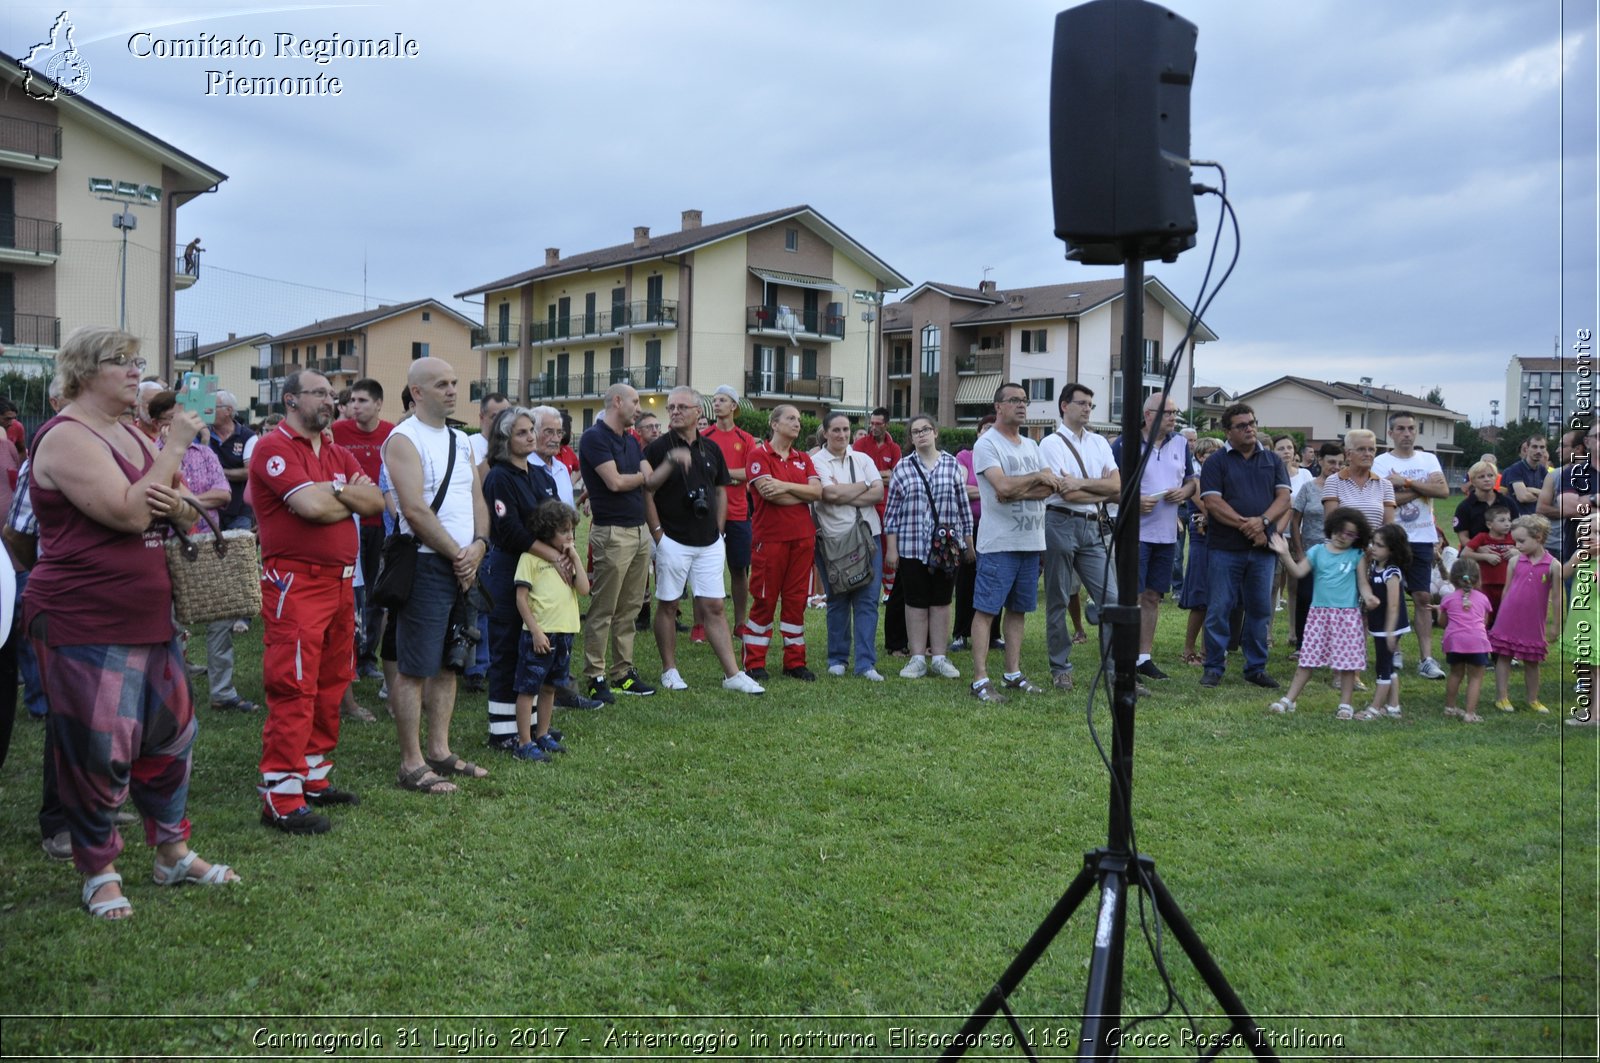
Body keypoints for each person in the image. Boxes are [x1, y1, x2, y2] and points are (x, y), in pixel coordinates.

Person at [24, 326, 240, 917]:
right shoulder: (65, 436)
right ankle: (99, 871)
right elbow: (125, 512)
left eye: (136, 360)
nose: (135, 371)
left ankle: (171, 853)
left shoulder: (130, 432)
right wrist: (172, 446)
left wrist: (178, 501)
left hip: (150, 612)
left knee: (172, 738)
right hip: (85, 615)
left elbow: (173, 504)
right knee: (99, 750)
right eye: (121, 362)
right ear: (85, 371)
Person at [250, 369, 383, 833]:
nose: (331, 400)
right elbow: (309, 508)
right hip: (296, 584)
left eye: (333, 394)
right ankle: (280, 797)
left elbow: (377, 503)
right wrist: (345, 495)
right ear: (291, 400)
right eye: (320, 393)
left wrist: (336, 492)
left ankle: (312, 777)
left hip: (340, 585)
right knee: (295, 684)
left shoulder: (336, 450)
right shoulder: (273, 448)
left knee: (332, 681)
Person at [382, 357, 490, 795]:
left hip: (464, 562)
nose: (452, 390)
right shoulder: (402, 439)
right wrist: (456, 555)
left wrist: (480, 545)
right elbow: (413, 509)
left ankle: (440, 750)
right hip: (428, 562)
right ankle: (411, 763)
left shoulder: (461, 440)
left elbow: (476, 497)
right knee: (415, 666)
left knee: (450, 660)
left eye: (455, 382)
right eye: (442, 384)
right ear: (417, 392)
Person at [644, 387, 764, 695]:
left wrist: (720, 530)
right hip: (673, 539)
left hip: (709, 540)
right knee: (669, 603)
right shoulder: (658, 448)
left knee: (713, 606)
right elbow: (647, 491)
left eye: (682, 407)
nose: (675, 412)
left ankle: (733, 674)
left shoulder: (711, 448)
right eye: (671, 407)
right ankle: (669, 670)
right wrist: (659, 534)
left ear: (699, 412)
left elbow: (722, 489)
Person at [147, 390, 256, 714]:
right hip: (165, 548)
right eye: (172, 420)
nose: (180, 425)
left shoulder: (204, 453)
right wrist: (194, 499)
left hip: (208, 547)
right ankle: (174, 693)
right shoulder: (150, 454)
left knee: (220, 621)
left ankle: (222, 691)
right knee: (168, 623)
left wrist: (181, 501)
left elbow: (223, 494)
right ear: (159, 423)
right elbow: (152, 497)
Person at [481, 406, 580, 751]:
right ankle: (503, 732)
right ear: (505, 439)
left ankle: (536, 730)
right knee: (508, 648)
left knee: (537, 655)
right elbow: (508, 531)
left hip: (545, 574)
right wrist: (553, 555)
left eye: (531, 431)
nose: (530, 437)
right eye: (521, 432)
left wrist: (564, 553)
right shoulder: (499, 477)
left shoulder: (542, 477)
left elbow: (553, 522)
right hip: (510, 568)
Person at [969, 383, 1062, 703]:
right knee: (986, 610)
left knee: (1019, 610)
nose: (1022, 406)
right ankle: (980, 679)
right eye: (1014, 401)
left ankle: (1012, 673)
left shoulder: (1031, 445)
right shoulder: (987, 444)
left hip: (1030, 539)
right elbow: (1002, 487)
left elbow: (1051, 487)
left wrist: (1023, 486)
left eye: (1025, 401)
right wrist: (1036, 479)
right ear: (998, 406)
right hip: (999, 542)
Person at [580, 383, 674, 701]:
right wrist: (639, 477)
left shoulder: (631, 440)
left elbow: (650, 478)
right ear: (617, 401)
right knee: (603, 609)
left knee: (630, 608)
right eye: (635, 401)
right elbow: (616, 482)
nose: (638, 407)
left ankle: (623, 672)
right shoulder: (595, 438)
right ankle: (595, 676)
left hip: (638, 531)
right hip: (612, 532)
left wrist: (660, 468)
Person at [1198, 403, 1291, 689]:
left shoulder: (1273, 461)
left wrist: (1262, 522)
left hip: (1262, 550)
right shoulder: (1216, 462)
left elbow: (1284, 498)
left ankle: (1255, 668)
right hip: (1225, 548)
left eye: (1252, 422)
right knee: (1219, 608)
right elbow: (1212, 502)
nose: (1250, 428)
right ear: (1227, 431)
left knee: (1261, 608)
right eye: (1242, 425)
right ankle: (1214, 666)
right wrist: (1248, 526)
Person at [1039, 382, 1120, 691]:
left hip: (1094, 525)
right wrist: (1097, 487)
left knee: (1111, 599)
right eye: (1082, 403)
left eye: (1091, 404)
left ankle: (1115, 670)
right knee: (1058, 598)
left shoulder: (1100, 442)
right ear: (1064, 405)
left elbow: (1117, 488)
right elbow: (1063, 490)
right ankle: (1061, 668)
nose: (1087, 408)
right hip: (1061, 522)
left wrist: (1082, 485)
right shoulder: (1050, 443)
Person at [1110, 392, 1195, 681]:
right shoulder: (1126, 444)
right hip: (1136, 532)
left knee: (1153, 596)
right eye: (1168, 412)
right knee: (1131, 595)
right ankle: (1126, 656)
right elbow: (1110, 484)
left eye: (1174, 412)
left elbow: (1191, 481)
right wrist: (1133, 501)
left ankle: (1144, 657)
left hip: (1166, 533)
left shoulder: (1181, 443)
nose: (1173, 417)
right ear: (1148, 414)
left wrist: (1184, 493)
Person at [883, 413, 972, 682]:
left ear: (935, 433)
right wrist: (891, 549)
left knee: (942, 601)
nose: (921, 434)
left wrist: (969, 545)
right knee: (915, 602)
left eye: (926, 429)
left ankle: (940, 657)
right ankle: (918, 658)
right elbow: (892, 513)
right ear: (910, 438)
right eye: (915, 431)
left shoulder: (951, 466)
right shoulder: (902, 468)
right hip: (911, 546)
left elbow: (963, 508)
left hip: (946, 547)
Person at [1264, 508, 1376, 718]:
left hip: (1347, 617)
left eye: (1350, 534)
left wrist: (1369, 597)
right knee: (1307, 660)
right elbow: (1297, 572)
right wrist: (1285, 553)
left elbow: (1363, 584)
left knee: (1348, 664)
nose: (1343, 537)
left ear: (1358, 537)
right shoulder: (1317, 551)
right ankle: (1289, 700)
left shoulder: (1357, 556)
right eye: (1341, 531)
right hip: (1319, 616)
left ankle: (1345, 705)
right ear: (1331, 527)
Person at [742, 405, 822, 681]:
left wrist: (787, 487)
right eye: (791, 418)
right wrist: (803, 494)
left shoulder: (803, 458)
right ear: (774, 424)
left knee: (796, 601)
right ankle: (753, 662)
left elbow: (817, 492)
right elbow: (769, 494)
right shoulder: (758, 455)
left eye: (799, 419)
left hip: (803, 539)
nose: (797, 424)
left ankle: (795, 663)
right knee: (764, 600)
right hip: (770, 540)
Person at [1372, 411, 1450, 680]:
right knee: (1391, 596)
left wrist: (1405, 482)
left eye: (1411, 429)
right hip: (1393, 538)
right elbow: (1386, 498)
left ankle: (1426, 658)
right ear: (1391, 433)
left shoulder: (1428, 458)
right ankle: (1393, 650)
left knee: (1422, 597)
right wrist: (1423, 487)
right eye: (1401, 429)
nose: (1407, 433)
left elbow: (1443, 491)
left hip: (1423, 538)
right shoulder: (1381, 462)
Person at [511, 499, 589, 761]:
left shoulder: (568, 560)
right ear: (547, 532)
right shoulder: (530, 559)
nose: (570, 536)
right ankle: (524, 742)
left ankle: (542, 734)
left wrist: (575, 557)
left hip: (565, 633)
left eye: (572, 530)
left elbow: (584, 589)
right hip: (540, 634)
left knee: (550, 687)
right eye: (564, 531)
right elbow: (521, 599)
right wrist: (534, 631)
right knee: (528, 688)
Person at [811, 411, 885, 681]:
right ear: (825, 432)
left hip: (868, 536)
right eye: (836, 430)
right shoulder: (816, 461)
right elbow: (828, 494)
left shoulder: (863, 458)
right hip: (832, 540)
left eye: (846, 430)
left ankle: (866, 664)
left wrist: (845, 493)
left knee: (867, 601)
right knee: (838, 599)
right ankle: (837, 658)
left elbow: (878, 493)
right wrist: (863, 486)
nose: (842, 435)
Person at [331, 378, 393, 679]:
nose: (354, 406)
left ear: (378, 403)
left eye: (362, 401)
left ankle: (369, 657)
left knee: (377, 593)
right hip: (349, 522)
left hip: (381, 524)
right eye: (352, 400)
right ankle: (350, 658)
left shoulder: (391, 434)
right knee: (351, 593)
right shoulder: (337, 432)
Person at [701, 385, 759, 639]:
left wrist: (721, 475)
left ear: (734, 406)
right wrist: (729, 477)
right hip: (708, 514)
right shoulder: (705, 435)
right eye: (715, 400)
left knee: (739, 569)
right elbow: (702, 472)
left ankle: (739, 622)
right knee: (703, 569)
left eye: (722, 400)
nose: (717, 404)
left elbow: (750, 472)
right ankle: (700, 625)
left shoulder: (746, 439)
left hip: (738, 513)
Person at [1487, 515, 1558, 714]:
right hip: (1508, 617)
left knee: (1532, 661)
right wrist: (1500, 616)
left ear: (1538, 537)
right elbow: (1507, 590)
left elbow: (1558, 598)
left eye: (1521, 541)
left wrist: (1555, 625)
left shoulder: (1553, 565)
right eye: (1515, 541)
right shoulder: (1515, 562)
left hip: (1533, 620)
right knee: (1503, 656)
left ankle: (1533, 699)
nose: (1517, 545)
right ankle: (1502, 698)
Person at [854, 406, 902, 649]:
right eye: (871, 423)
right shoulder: (861, 444)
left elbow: (896, 476)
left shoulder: (894, 448)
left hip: (887, 506)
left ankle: (888, 589)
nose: (874, 427)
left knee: (888, 553)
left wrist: (875, 477)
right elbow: (856, 475)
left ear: (887, 424)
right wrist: (880, 477)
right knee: (867, 550)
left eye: (878, 423)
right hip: (866, 506)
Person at [1291, 442, 1344, 649]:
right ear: (1320, 461)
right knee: (1306, 597)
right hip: (1311, 553)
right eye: (1331, 462)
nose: (1336, 467)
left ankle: (1329, 644)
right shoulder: (1309, 487)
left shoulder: (1346, 488)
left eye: (1340, 463)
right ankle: (1302, 644)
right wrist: (1299, 550)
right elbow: (1295, 520)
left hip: (1338, 555)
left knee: (1333, 600)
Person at [951, 415, 993, 651]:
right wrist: (993, 488)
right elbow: (960, 488)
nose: (989, 431)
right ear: (978, 432)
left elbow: (1009, 486)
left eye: (992, 427)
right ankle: (960, 634)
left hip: (996, 527)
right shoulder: (965, 456)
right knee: (966, 581)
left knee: (994, 581)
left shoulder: (1001, 457)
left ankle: (994, 634)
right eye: (985, 427)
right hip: (970, 527)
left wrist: (977, 489)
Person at [1361, 523, 1412, 720]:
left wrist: (1391, 631)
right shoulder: (1375, 565)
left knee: (1382, 667)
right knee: (1388, 665)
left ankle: (1374, 708)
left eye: (1379, 545)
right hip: (1379, 624)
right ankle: (1393, 707)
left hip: (1388, 626)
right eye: (1373, 543)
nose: (1373, 547)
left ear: (1392, 550)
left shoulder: (1392, 573)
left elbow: (1393, 605)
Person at [1178, 437, 1222, 664]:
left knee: (1216, 599)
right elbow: (1211, 508)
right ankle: (1188, 649)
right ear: (1199, 456)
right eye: (1207, 452)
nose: (1212, 456)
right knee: (1200, 599)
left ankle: (1208, 651)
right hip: (1201, 544)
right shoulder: (1196, 481)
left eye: (1216, 452)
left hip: (1220, 541)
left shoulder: (1223, 480)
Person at [1439, 557, 1491, 723]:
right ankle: (1470, 713)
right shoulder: (1483, 599)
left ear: (1453, 578)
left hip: (1455, 642)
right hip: (1477, 642)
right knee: (1475, 678)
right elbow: (1485, 622)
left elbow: (1442, 623)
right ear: (1477, 578)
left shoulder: (1447, 599)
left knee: (1455, 674)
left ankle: (1450, 707)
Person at [1321, 429, 1394, 533]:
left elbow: (1389, 529)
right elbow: (1331, 526)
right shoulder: (1334, 481)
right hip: (1342, 547)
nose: (1368, 454)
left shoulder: (1385, 485)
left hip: (1374, 548)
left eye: (1371, 449)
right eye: (1361, 449)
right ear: (1348, 454)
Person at [1461, 504, 1515, 616]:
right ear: (1489, 524)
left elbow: (1528, 553)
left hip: (1508, 584)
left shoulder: (1513, 538)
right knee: (1486, 613)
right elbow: (1465, 554)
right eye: (1502, 520)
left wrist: (1517, 553)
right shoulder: (1482, 537)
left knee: (1504, 614)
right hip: (1485, 584)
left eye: (1509, 520)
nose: (1507, 524)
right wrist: (1485, 557)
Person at [1452, 461, 1514, 541]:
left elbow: (1516, 530)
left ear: (1495, 478)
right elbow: (1463, 537)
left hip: (1505, 549)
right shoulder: (1464, 507)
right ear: (1473, 482)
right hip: (1474, 550)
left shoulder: (1508, 503)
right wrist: (1478, 549)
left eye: (1490, 475)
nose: (1487, 479)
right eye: (1481, 477)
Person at [1500, 435, 1549, 517]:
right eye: (1534, 447)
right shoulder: (1516, 469)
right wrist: (1543, 495)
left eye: (1542, 447)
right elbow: (1523, 497)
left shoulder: (1543, 470)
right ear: (1527, 449)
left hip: (1539, 519)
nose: (1538, 451)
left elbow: (1552, 496)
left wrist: (1532, 490)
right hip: (1521, 520)